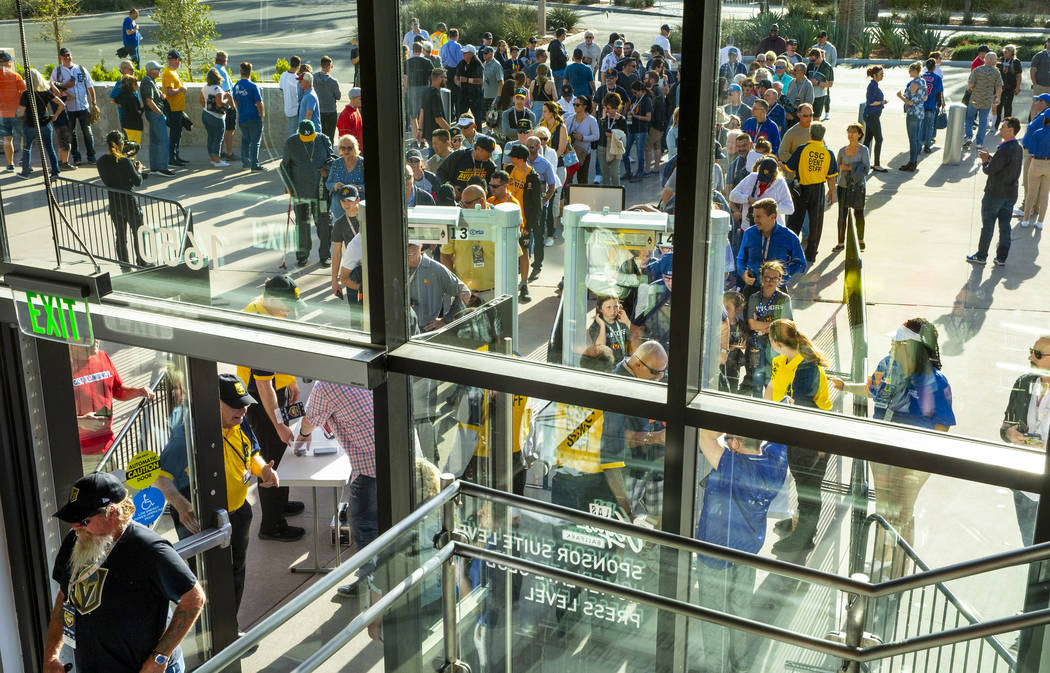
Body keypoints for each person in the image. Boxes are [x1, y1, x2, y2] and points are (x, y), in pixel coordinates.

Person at [44, 472, 204, 673]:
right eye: (72, 519)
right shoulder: (76, 541)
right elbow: (64, 596)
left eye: (83, 520)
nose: (75, 526)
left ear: (112, 513)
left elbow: (194, 598)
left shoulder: (150, 549)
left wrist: (160, 658)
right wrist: (51, 655)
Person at [830, 318, 955, 577]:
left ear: (914, 347)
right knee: (885, 507)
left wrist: (926, 460)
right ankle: (880, 557)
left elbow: (942, 426)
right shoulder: (886, 366)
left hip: (915, 459)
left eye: (899, 342)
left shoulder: (935, 382)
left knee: (903, 511)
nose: (893, 345)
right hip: (882, 450)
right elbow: (871, 389)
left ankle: (897, 569)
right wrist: (845, 387)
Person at [156, 373, 280, 623]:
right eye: (235, 404)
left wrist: (264, 469)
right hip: (203, 522)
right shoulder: (187, 436)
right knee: (203, 582)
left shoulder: (241, 422)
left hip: (238, 513)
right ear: (213, 402)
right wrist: (180, 505)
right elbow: (159, 477)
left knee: (236, 573)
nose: (243, 410)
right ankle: (208, 634)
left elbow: (252, 453)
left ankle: (229, 628)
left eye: (245, 403)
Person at [694, 429, 787, 673]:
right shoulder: (775, 461)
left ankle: (717, 668)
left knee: (714, 617)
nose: (724, 444)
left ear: (735, 442)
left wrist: (727, 419)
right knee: (740, 611)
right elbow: (780, 435)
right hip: (747, 552)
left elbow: (704, 436)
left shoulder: (733, 467)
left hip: (716, 552)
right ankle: (741, 666)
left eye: (727, 439)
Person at [238, 276, 309, 542]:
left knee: (281, 452)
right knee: (271, 458)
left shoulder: (268, 308)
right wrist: (279, 424)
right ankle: (271, 525)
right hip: (260, 401)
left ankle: (281, 504)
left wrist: (289, 381)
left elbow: (280, 358)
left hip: (271, 392)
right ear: (272, 298)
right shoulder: (260, 327)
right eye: (288, 304)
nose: (291, 310)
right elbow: (264, 387)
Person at [295, 381, 382, 597]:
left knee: (365, 529)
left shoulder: (325, 385)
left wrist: (303, 436)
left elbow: (310, 420)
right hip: (389, 456)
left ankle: (370, 585)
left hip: (369, 467)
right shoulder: (358, 374)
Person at [764, 319, 831, 554]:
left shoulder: (807, 368)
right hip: (792, 434)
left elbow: (805, 411)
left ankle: (804, 539)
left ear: (778, 343)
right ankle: (800, 523)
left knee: (808, 489)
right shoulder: (780, 361)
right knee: (800, 482)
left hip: (811, 438)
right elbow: (772, 389)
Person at [70, 339, 154, 473]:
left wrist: (139, 391)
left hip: (108, 446)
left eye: (96, 335)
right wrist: (80, 422)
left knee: (114, 492)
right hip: (81, 455)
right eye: (88, 337)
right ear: (71, 340)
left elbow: (117, 390)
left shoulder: (102, 356)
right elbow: (50, 418)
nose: (95, 340)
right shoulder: (62, 368)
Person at [999, 336, 1050, 547]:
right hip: (1025, 488)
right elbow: (1004, 427)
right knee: (1030, 549)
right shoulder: (1023, 383)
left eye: (1038, 354)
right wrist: (1009, 434)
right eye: (1032, 351)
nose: (1030, 357)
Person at [967, 117, 1024, 265]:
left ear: (1011, 130)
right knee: (1005, 227)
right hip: (1010, 194)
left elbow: (990, 170)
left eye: (1003, 127)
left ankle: (981, 255)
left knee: (988, 226)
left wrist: (985, 161)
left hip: (995, 194)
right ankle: (1001, 258)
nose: (1000, 129)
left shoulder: (1005, 148)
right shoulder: (1017, 147)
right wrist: (992, 158)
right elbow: (1005, 166)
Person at [279, 120, 335, 267]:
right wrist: (289, 185)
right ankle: (302, 255)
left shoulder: (323, 139)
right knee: (302, 224)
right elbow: (284, 166)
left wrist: (326, 169)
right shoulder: (291, 142)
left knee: (324, 224)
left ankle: (325, 255)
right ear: (299, 134)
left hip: (321, 191)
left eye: (310, 138)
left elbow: (332, 159)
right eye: (305, 138)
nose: (308, 141)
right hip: (300, 192)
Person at [785, 122, 837, 261]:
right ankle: (811, 254)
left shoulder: (802, 149)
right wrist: (832, 193)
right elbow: (831, 177)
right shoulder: (828, 152)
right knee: (816, 222)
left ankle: (789, 252)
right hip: (818, 188)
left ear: (810, 134)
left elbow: (789, 168)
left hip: (801, 188)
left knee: (795, 221)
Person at [97, 130, 149, 268]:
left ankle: (124, 264)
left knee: (120, 236)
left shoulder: (101, 161)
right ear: (121, 144)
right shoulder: (125, 161)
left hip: (114, 203)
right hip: (130, 202)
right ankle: (142, 262)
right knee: (138, 233)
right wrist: (139, 170)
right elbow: (138, 182)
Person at [743, 260, 793, 395]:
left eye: (774, 278)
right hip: (756, 345)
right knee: (757, 381)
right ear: (761, 278)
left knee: (773, 383)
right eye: (767, 277)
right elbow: (752, 324)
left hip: (776, 346)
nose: (770, 281)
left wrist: (763, 326)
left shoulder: (784, 299)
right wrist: (774, 324)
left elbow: (786, 325)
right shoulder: (754, 298)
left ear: (780, 279)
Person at [737, 199, 807, 293]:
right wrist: (743, 273)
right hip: (752, 288)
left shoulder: (789, 236)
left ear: (772, 216)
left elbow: (801, 263)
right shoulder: (749, 233)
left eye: (759, 217)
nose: (755, 220)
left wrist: (783, 273)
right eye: (754, 216)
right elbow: (741, 259)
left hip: (777, 290)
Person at [406, 241, 470, 329]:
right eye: (407, 245)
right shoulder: (394, 266)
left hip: (427, 332)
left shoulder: (435, 269)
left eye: (414, 245)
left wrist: (447, 320)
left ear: (421, 245)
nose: (410, 248)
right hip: (400, 332)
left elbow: (465, 292)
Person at [51, 47, 97, 165]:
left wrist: (94, 103)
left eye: (69, 55)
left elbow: (90, 86)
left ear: (72, 55)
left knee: (88, 132)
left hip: (83, 106)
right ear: (61, 57)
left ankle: (91, 156)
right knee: (72, 134)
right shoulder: (58, 71)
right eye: (64, 55)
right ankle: (76, 157)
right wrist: (64, 90)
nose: (67, 57)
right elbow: (52, 87)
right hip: (68, 108)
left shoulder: (81, 69)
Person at [16, 68, 62, 180]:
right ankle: (55, 172)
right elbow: (62, 104)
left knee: (27, 148)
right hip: (45, 124)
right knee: (49, 148)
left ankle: (25, 172)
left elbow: (21, 113)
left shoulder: (26, 94)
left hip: (30, 125)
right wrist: (55, 116)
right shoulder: (46, 92)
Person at [834, 122, 871, 252]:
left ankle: (860, 240)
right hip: (843, 185)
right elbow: (836, 168)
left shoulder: (863, 150)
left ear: (860, 134)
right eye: (849, 131)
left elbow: (866, 168)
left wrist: (849, 168)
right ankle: (840, 242)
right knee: (841, 215)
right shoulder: (842, 150)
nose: (851, 134)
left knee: (859, 214)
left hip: (858, 186)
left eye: (854, 132)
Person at [963, 51, 1002, 150]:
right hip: (987, 100)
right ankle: (979, 143)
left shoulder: (977, 70)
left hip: (975, 98)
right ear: (994, 61)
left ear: (985, 59)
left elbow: (970, 85)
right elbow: (999, 87)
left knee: (969, 118)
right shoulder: (996, 73)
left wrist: (971, 90)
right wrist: (998, 98)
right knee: (983, 121)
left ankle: (968, 136)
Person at [139, 60, 172, 176]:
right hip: (155, 115)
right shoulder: (148, 82)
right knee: (163, 140)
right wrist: (159, 113)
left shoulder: (150, 81)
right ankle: (162, 168)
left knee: (155, 141)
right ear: (151, 71)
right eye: (158, 69)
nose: (160, 71)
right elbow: (149, 101)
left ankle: (154, 168)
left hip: (153, 114)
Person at [329, 185, 362, 302]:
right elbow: (337, 253)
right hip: (352, 270)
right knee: (355, 311)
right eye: (343, 201)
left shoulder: (366, 216)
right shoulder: (339, 224)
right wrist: (334, 280)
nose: (346, 204)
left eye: (350, 200)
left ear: (358, 200)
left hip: (369, 265)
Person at [1021, 100, 1050, 229]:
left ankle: (1026, 220)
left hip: (1037, 163)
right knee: (1044, 195)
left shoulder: (1038, 132)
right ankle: (1040, 222)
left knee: (1031, 194)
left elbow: (1032, 150)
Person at [232, 61, 265, 171]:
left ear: (241, 72)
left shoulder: (236, 85)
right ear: (250, 72)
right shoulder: (252, 86)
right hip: (253, 117)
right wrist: (262, 115)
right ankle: (254, 164)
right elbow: (259, 102)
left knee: (245, 140)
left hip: (242, 117)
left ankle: (246, 162)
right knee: (255, 141)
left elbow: (235, 101)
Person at [326, 134, 364, 223]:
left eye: (349, 148)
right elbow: (328, 183)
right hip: (339, 211)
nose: (346, 151)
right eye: (343, 148)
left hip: (358, 211)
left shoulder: (362, 163)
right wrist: (335, 186)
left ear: (355, 148)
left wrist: (359, 187)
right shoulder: (336, 163)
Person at [200, 68, 233, 167]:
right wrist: (227, 99)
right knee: (218, 138)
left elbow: (201, 100)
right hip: (217, 117)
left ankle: (212, 158)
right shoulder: (217, 89)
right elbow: (219, 104)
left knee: (211, 137)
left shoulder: (205, 87)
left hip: (205, 114)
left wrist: (207, 108)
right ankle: (217, 160)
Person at [160, 50, 188, 166]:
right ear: (176, 60)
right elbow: (169, 92)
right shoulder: (169, 73)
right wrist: (181, 89)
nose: (179, 63)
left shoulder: (172, 72)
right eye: (179, 60)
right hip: (173, 108)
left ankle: (176, 156)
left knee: (177, 133)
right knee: (174, 133)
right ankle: (172, 157)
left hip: (177, 108)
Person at [588, 295, 632, 365]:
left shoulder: (622, 322)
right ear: (600, 309)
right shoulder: (596, 326)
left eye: (616, 307)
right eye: (608, 307)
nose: (613, 311)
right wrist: (602, 326)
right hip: (608, 365)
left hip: (624, 363)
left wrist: (628, 323)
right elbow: (600, 349)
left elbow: (631, 342)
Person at [0, 51, 25, 171]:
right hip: (17, 112)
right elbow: (24, 94)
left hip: (2, 114)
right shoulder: (16, 76)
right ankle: (23, 160)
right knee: (21, 137)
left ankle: (10, 164)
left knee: (7, 139)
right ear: (8, 63)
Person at [597, 93, 628, 187]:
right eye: (609, 108)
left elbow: (625, 135)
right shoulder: (603, 118)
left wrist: (614, 134)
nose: (611, 111)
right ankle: (606, 195)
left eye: (614, 108)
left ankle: (617, 195)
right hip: (603, 147)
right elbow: (599, 133)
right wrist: (603, 119)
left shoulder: (621, 119)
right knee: (605, 174)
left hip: (616, 149)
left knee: (615, 174)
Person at [567, 95, 599, 184]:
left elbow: (596, 136)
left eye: (577, 105)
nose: (575, 107)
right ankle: (567, 197)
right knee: (568, 178)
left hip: (584, 153)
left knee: (582, 178)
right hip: (570, 153)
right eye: (574, 104)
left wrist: (583, 138)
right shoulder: (570, 118)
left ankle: (582, 198)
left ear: (584, 106)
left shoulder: (591, 120)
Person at [212, 51, 237, 161]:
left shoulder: (212, 70)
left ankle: (220, 152)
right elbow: (227, 91)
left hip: (214, 103)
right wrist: (233, 106)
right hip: (225, 104)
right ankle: (229, 153)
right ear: (224, 61)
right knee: (229, 130)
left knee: (220, 129)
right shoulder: (222, 72)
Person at [863, 65, 887, 172]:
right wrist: (882, 102)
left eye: (883, 74)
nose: (882, 76)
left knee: (868, 139)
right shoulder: (873, 86)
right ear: (874, 75)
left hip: (871, 115)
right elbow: (871, 102)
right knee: (879, 139)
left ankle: (863, 163)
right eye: (881, 74)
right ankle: (876, 164)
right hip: (872, 116)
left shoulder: (874, 85)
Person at [994, 45, 1022, 133]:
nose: (1004, 53)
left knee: (1007, 107)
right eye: (1004, 51)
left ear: (1012, 52)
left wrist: (1017, 87)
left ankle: (1006, 125)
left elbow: (1019, 76)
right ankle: (995, 126)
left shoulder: (1015, 62)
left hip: (1010, 88)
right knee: (998, 106)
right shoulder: (1001, 60)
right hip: (1000, 88)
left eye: (1007, 51)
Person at [315, 55, 342, 141]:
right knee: (330, 136)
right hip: (331, 111)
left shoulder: (314, 78)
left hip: (319, 111)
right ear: (330, 66)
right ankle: (329, 153)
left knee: (320, 135)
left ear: (321, 65)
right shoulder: (333, 81)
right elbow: (338, 96)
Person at [920, 58, 943, 153]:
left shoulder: (921, 77)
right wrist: (940, 103)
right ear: (934, 67)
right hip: (931, 105)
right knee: (930, 126)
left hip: (921, 105)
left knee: (921, 125)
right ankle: (927, 145)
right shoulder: (937, 78)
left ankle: (918, 144)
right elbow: (938, 92)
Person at [439, 28, 463, 115]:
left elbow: (441, 59)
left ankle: (449, 114)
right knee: (457, 95)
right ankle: (458, 115)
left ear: (449, 36)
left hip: (446, 71)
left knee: (448, 93)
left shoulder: (444, 46)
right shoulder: (458, 46)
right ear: (457, 36)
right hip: (455, 71)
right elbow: (460, 61)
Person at [806, 48, 834, 121]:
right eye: (811, 60)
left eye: (814, 60)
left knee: (816, 118)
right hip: (809, 94)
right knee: (807, 116)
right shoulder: (810, 65)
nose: (812, 62)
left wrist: (818, 83)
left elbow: (830, 84)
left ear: (819, 57)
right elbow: (805, 78)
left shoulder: (827, 67)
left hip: (820, 96)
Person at [782, 62, 812, 129]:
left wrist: (797, 115)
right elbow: (787, 98)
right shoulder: (791, 82)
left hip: (800, 115)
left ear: (802, 72)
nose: (793, 71)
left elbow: (809, 103)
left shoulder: (808, 84)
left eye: (795, 70)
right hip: (789, 113)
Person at [279, 54, 302, 138]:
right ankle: (291, 148)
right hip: (295, 108)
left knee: (292, 130)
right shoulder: (297, 79)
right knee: (293, 131)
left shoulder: (283, 75)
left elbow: (281, 89)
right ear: (299, 66)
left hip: (287, 107)